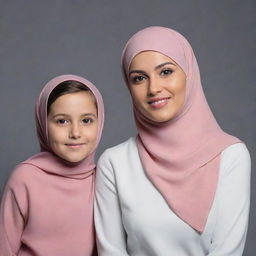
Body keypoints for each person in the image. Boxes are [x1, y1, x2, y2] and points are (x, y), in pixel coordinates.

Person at [94, 27, 251, 255]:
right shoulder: (114, 163)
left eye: (166, 72)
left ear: (189, 72)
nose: (154, 88)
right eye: (139, 78)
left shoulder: (230, 155)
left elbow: (228, 251)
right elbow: (110, 251)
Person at [0, 74, 104, 256]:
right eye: (62, 121)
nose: (75, 132)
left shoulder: (105, 180)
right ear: (44, 123)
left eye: (86, 120)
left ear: (99, 122)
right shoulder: (25, 179)